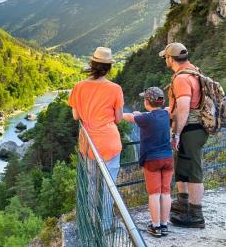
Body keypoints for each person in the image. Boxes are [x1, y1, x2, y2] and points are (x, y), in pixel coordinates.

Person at [160, 42, 208, 228]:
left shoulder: (181, 79)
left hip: (190, 129)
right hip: (197, 127)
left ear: (171, 59)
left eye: (166, 57)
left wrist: (176, 134)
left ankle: (196, 215)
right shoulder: (194, 70)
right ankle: (182, 204)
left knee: (194, 171)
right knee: (183, 167)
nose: (165, 60)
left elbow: (184, 108)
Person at [123, 87, 173, 238]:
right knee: (165, 192)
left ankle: (155, 226)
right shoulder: (166, 113)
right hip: (168, 158)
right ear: (162, 101)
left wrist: (135, 114)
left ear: (146, 102)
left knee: (154, 194)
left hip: (152, 160)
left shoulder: (144, 118)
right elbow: (170, 108)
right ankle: (164, 225)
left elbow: (126, 117)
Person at [69, 46, 124, 181]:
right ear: (109, 68)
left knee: (92, 183)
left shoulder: (79, 86)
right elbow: (118, 119)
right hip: (109, 142)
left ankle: (93, 204)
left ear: (92, 65)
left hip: (88, 143)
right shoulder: (116, 89)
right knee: (108, 187)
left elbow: (76, 116)